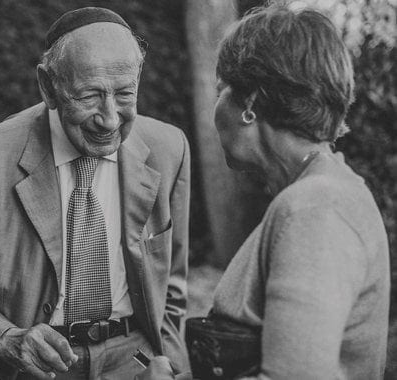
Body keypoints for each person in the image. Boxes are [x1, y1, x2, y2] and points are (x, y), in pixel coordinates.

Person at [0, 7, 190, 380]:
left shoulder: (169, 148)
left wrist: (172, 365)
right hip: (30, 368)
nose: (110, 118)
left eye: (125, 93)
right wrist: (7, 340)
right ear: (49, 87)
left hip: (135, 361)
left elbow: (172, 287)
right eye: (90, 95)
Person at [141, 5, 390, 380]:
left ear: (251, 104)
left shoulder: (314, 209)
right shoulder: (322, 191)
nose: (217, 104)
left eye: (222, 89)